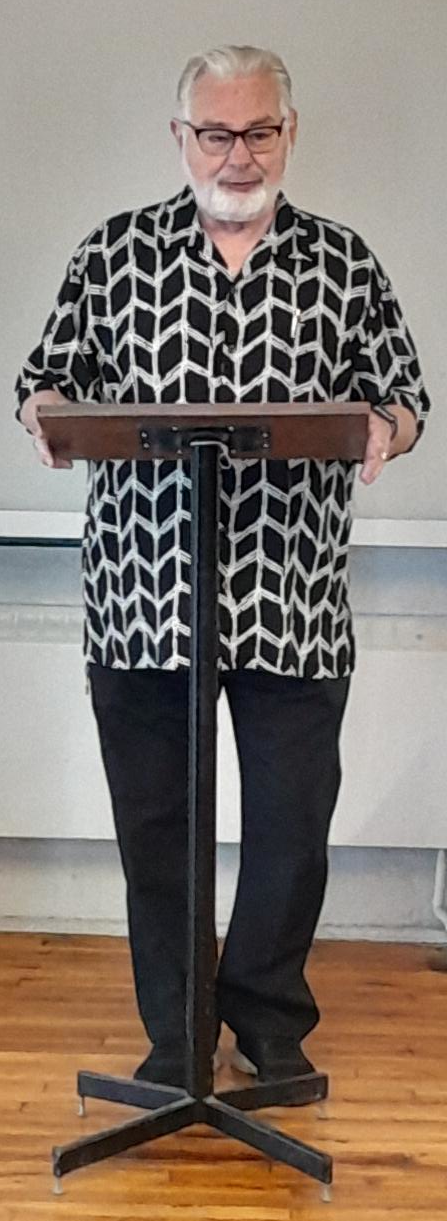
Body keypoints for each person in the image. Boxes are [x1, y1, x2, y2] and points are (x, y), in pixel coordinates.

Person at [14, 45, 431, 1089]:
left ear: (290, 134)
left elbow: (404, 397)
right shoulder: (113, 254)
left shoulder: (344, 262)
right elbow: (45, 381)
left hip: (292, 598)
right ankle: (178, 1033)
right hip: (144, 599)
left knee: (292, 826)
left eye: (258, 132)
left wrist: (386, 428)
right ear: (180, 137)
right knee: (159, 831)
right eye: (216, 133)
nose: (237, 155)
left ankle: (268, 1018)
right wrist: (45, 413)